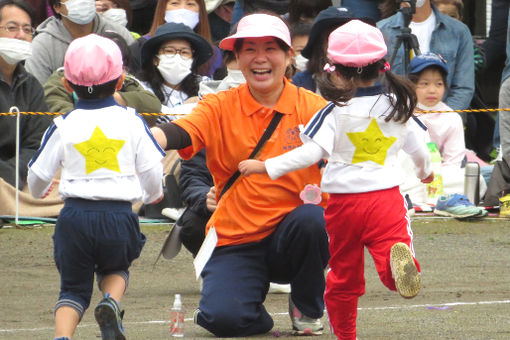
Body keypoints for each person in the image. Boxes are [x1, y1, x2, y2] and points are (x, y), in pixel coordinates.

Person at [238, 20, 432, 340]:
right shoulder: (399, 105)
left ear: (336, 70)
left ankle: (346, 336)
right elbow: (420, 153)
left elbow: (309, 154)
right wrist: (425, 174)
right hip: (385, 199)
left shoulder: (333, 111)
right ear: (383, 66)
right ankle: (395, 270)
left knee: (343, 275)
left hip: (342, 204)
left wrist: (266, 166)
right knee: (391, 248)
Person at [151, 13, 330, 337]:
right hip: (237, 236)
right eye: (249, 49)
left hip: (293, 233)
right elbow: (184, 130)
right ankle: (246, 305)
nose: (260, 58)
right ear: (236, 57)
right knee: (222, 320)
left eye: (271, 49)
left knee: (312, 220)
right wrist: (153, 138)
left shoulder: (314, 107)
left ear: (289, 56)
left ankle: (307, 305)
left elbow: (346, 161)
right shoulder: (218, 105)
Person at [27, 34, 165, 340]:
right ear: (119, 82)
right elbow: (152, 170)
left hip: (74, 216)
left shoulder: (63, 124)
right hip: (118, 215)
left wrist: (38, 192)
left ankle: (62, 337)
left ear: (67, 85)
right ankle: (110, 302)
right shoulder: (132, 120)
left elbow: (37, 174)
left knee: (73, 290)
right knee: (116, 269)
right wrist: (152, 194)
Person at [403, 52, 486, 217]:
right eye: (424, 84)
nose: (432, 90)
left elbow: (452, 162)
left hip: (438, 176)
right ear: (411, 85)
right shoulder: (401, 111)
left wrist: (434, 178)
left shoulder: (452, 117)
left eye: (438, 84)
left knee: (479, 180)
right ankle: (433, 199)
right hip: (407, 173)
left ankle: (419, 198)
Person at [43, 30, 162, 127]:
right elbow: (62, 115)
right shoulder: (59, 80)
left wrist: (111, 96)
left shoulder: (126, 81)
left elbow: (153, 105)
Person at [0, 0, 53, 213]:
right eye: (12, 28)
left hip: (18, 177)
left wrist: (12, 176)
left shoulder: (31, 84)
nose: (21, 35)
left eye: (27, 29)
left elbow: (38, 144)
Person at [377, 0, 474, 111]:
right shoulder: (380, 30)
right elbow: (375, 84)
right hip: (393, 119)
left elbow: (463, 88)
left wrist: (441, 119)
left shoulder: (458, 31)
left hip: (442, 121)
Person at [24, 0, 134, 85]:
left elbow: (138, 83)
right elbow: (41, 96)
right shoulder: (42, 46)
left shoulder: (119, 34)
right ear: (57, 7)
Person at [136, 22, 213, 123]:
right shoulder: (141, 87)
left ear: (193, 60)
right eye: (169, 51)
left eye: (184, 52)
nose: (177, 57)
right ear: (155, 59)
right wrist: (189, 107)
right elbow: (156, 118)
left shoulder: (204, 84)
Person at [129, 0, 220, 77]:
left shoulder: (212, 54)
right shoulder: (140, 47)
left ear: (200, 11)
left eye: (190, 4)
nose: (183, 10)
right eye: (175, 3)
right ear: (163, 9)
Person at [291, 6, 356, 93]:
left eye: (347, 38)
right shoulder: (301, 83)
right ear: (320, 45)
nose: (341, 44)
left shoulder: (368, 78)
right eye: (333, 37)